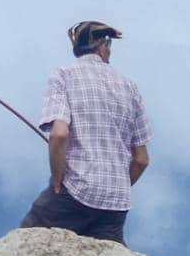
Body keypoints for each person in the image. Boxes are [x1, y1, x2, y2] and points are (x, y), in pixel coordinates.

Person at [19, 19, 149, 244]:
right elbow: (141, 160)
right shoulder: (130, 87)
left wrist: (58, 181)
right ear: (103, 47)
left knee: (25, 242)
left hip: (75, 192)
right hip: (116, 204)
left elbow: (59, 135)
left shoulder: (63, 76)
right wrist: (116, 186)